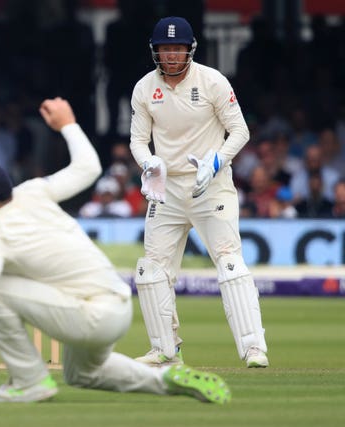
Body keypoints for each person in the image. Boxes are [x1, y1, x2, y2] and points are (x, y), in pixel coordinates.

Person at [0, 98, 231, 404]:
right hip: (112, 305)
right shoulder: (33, 191)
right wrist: (68, 124)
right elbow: (88, 168)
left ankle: (30, 381)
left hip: (91, 314)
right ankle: (168, 379)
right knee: (83, 374)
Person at [129, 17, 269, 368]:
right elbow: (137, 140)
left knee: (230, 261)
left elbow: (240, 130)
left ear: (189, 49)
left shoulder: (212, 81)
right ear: (155, 51)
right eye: (165, 49)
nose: (171, 55)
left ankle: (254, 348)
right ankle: (165, 350)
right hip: (167, 190)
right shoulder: (145, 89)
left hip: (211, 184)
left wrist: (216, 162)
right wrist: (151, 165)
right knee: (150, 269)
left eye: (177, 48)